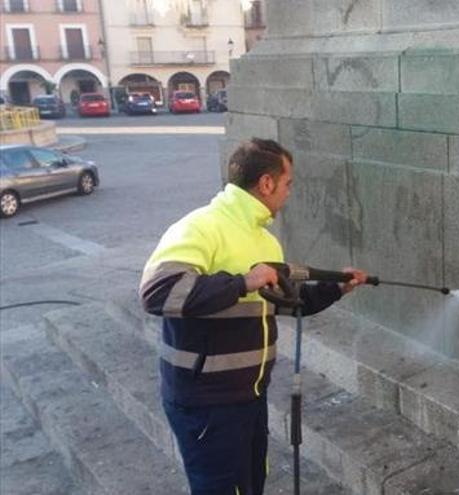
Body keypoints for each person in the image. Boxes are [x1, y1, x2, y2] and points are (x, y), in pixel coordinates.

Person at [138, 138, 367, 495]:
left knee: (250, 486)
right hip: (206, 404)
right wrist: (244, 281)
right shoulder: (201, 226)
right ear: (266, 183)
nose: (289, 194)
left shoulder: (264, 240)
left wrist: (337, 288)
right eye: (288, 184)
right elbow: (158, 291)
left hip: (250, 395)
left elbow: (283, 302)